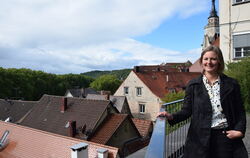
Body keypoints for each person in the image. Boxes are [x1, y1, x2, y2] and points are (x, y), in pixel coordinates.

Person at [158, 45, 248, 158]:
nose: (209, 62)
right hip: (199, 139)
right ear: (201, 61)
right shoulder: (193, 85)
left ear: (219, 61)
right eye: (206, 59)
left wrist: (239, 131)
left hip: (225, 137)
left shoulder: (231, 84)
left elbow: (239, 110)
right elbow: (186, 110)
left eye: (213, 59)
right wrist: (171, 116)